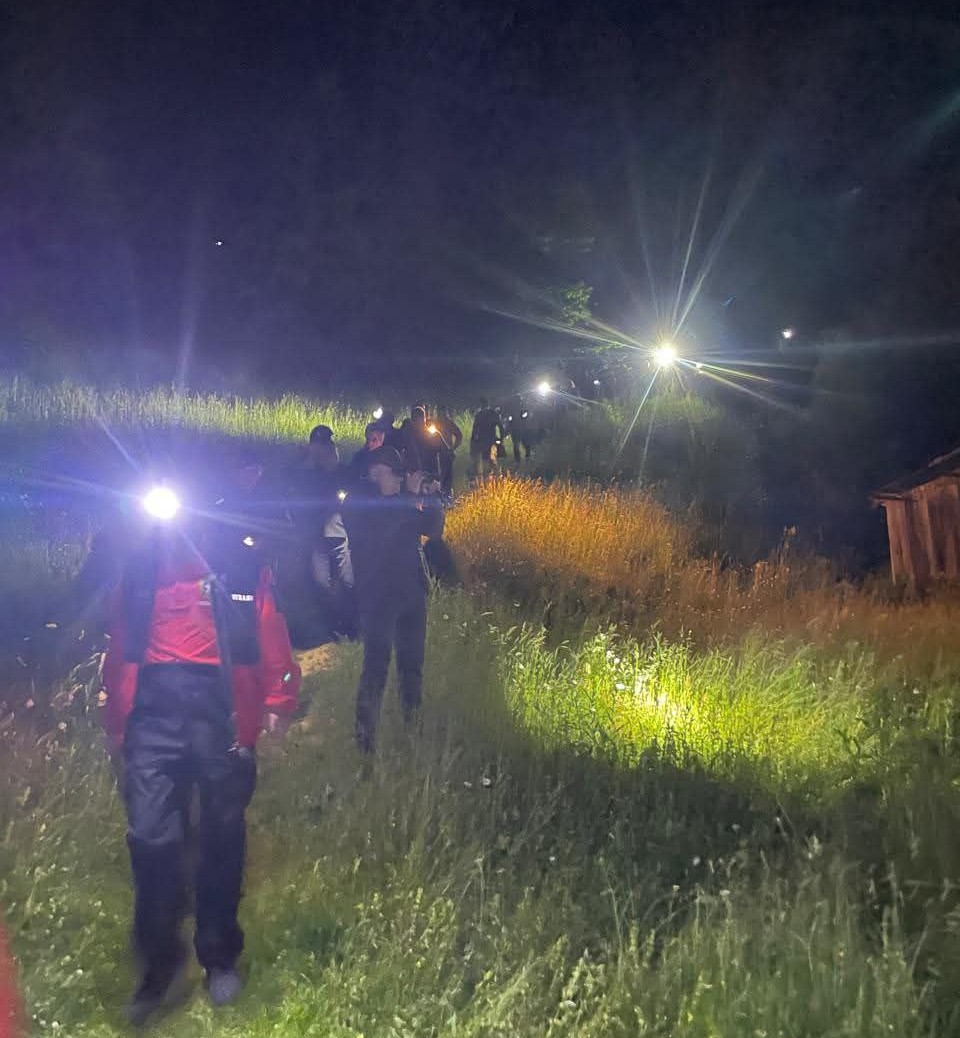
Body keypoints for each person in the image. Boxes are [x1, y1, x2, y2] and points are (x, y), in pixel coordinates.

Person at [101, 493, 301, 1025]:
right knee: (151, 839)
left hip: (222, 712)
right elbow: (121, 644)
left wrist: (279, 699)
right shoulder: (138, 569)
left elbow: (269, 630)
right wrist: (117, 720)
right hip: (153, 714)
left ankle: (219, 956)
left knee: (220, 839)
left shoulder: (240, 566)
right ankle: (159, 964)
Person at [341, 446, 444, 753]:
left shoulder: (400, 501)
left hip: (410, 593)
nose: (400, 480)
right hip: (379, 597)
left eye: (402, 475)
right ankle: (365, 741)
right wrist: (409, 497)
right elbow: (382, 531)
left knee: (412, 667)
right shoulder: (358, 502)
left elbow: (432, 531)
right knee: (377, 666)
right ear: (374, 472)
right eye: (394, 474)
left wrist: (431, 499)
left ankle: (413, 731)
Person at [470, 399, 504, 479]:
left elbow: (475, 429)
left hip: (488, 440)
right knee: (488, 459)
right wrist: (501, 438)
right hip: (487, 440)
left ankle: (494, 476)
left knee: (488, 459)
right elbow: (500, 426)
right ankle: (493, 476)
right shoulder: (490, 414)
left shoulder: (482, 415)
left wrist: (473, 440)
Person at [434, 406, 463, 496]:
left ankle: (447, 494)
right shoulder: (434, 423)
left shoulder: (449, 423)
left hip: (447, 453)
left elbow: (459, 435)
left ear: (445, 413)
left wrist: (453, 448)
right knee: (437, 475)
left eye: (442, 412)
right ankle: (439, 492)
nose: (440, 414)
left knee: (447, 475)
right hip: (436, 453)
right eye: (439, 412)